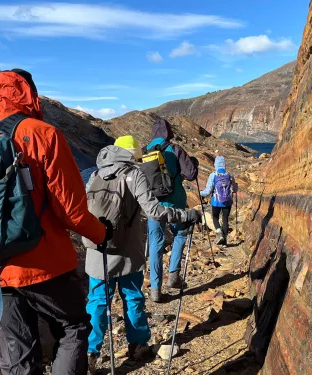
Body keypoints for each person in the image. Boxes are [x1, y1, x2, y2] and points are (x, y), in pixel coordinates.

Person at [0, 69, 110, 375]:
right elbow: (71, 211)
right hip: (45, 265)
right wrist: (101, 234)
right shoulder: (42, 134)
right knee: (74, 327)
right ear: (29, 94)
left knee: (17, 347)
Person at [84, 135, 201, 373]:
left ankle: (89, 353)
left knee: (97, 303)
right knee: (133, 297)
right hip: (128, 253)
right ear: (133, 154)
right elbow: (155, 211)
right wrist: (185, 215)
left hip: (97, 252)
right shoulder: (133, 174)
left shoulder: (94, 175)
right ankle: (137, 345)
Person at [145, 119, 198, 302]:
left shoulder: (145, 151)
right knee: (181, 234)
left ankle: (155, 290)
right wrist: (192, 163)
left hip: (153, 205)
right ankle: (174, 275)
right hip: (176, 203)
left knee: (155, 244)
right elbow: (191, 174)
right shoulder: (174, 149)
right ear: (169, 132)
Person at [199, 155, 235, 246]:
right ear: (224, 165)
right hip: (228, 201)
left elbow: (208, 190)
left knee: (215, 217)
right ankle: (225, 241)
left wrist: (200, 193)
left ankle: (219, 232)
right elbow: (234, 190)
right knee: (225, 219)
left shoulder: (213, 175)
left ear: (215, 164)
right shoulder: (229, 176)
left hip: (216, 201)